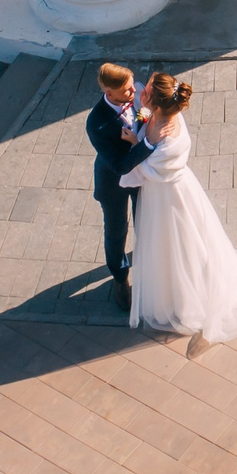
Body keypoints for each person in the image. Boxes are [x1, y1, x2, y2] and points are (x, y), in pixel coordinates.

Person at [120, 71, 237, 342]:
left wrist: (138, 143)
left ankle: (184, 302)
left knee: (179, 246)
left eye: (147, 92)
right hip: (161, 192)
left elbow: (146, 169)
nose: (141, 93)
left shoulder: (169, 140)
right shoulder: (161, 113)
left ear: (158, 106)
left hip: (171, 198)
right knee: (164, 245)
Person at [85, 62, 152, 312]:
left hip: (141, 177)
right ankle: (120, 277)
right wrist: (146, 147)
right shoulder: (97, 123)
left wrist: (144, 118)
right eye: (127, 90)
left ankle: (147, 260)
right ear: (109, 93)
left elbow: (140, 117)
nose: (134, 92)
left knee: (144, 220)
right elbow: (119, 166)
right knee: (116, 230)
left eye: (132, 86)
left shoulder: (135, 93)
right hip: (114, 181)